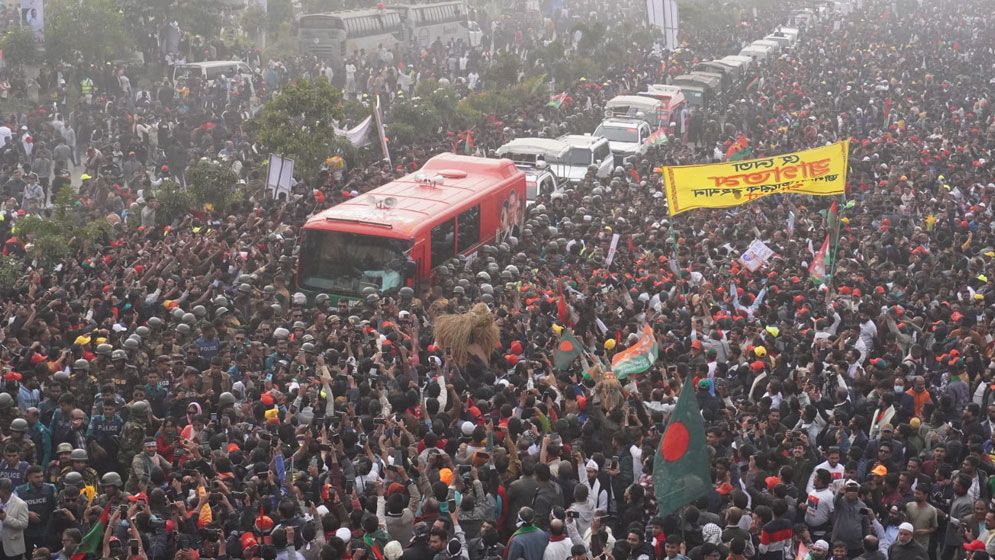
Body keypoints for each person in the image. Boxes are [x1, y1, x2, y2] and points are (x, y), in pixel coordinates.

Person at [0, 477, 30, 559]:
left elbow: (24, 524)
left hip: (12, 548)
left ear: (4, 491)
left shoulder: (21, 504)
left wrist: (5, 518)